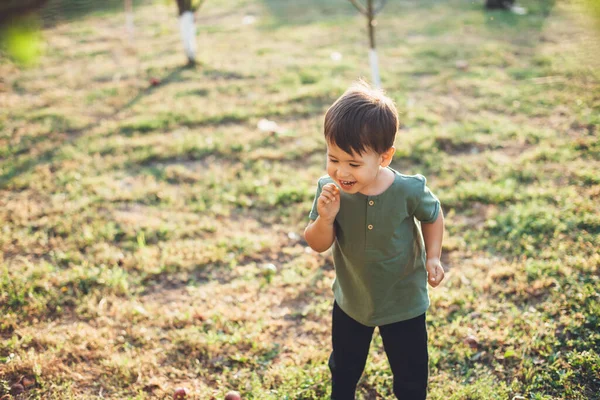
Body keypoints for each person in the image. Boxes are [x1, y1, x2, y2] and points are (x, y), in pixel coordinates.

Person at [304, 81, 445, 400]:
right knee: (343, 371)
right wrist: (325, 218)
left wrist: (433, 257)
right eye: (333, 158)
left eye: (353, 164)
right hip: (352, 300)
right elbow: (316, 242)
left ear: (384, 156)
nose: (341, 171)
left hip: (404, 300)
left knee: (410, 378)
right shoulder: (331, 190)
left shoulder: (408, 189)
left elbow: (432, 215)